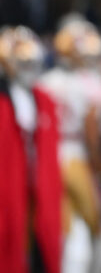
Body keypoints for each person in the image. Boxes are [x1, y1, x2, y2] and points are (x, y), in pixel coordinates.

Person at [38, 16, 101, 273]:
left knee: (67, 230)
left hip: (51, 156)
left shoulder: (46, 82)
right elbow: (94, 132)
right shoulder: (90, 84)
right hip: (78, 156)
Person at [0, 26, 62, 273]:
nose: (28, 68)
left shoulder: (44, 99)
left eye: (31, 62)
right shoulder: (5, 100)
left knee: (45, 247)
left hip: (40, 181)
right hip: (9, 183)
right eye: (21, 62)